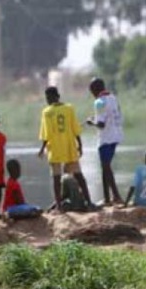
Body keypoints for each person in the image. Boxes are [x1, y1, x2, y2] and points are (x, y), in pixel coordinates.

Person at [38, 86, 95, 210]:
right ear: (58, 96)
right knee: (79, 175)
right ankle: (89, 202)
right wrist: (80, 145)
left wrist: (42, 148)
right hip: (69, 147)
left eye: (48, 97)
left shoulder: (47, 112)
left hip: (55, 149)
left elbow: (46, 134)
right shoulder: (69, 108)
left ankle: (59, 206)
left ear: (53, 97)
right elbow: (75, 129)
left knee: (56, 178)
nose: (47, 100)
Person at [86, 77, 124, 206]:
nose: (91, 93)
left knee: (106, 166)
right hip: (116, 135)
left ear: (95, 89)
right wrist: (96, 118)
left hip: (106, 138)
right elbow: (114, 115)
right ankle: (107, 199)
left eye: (91, 90)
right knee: (105, 166)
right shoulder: (113, 98)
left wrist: (91, 122)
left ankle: (116, 196)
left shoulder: (99, 102)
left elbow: (101, 124)